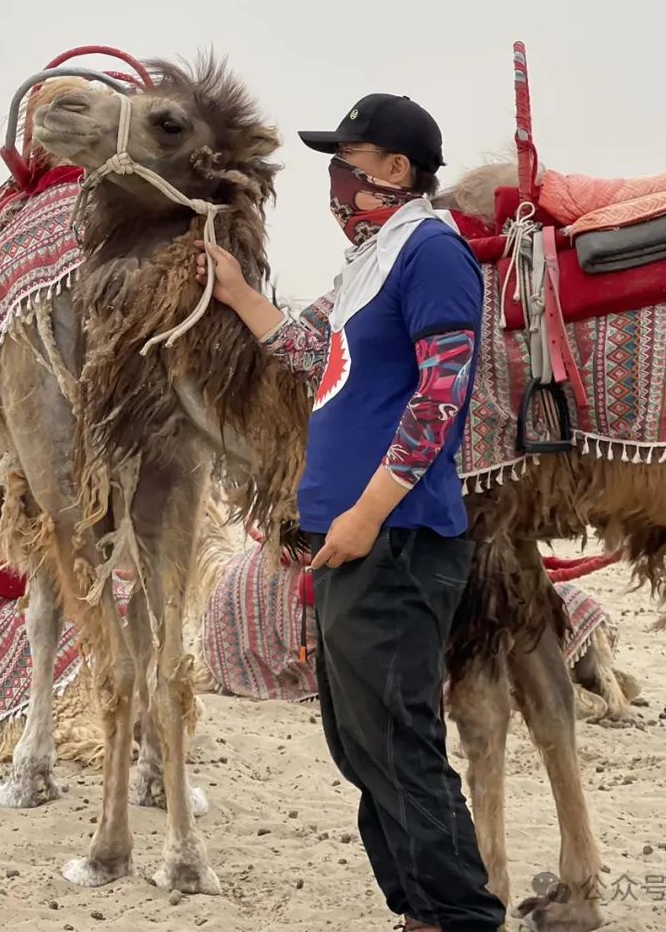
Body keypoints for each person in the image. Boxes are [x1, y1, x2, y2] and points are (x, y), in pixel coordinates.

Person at [197, 92, 505, 932]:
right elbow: (312, 353)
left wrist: (368, 513)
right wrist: (235, 294)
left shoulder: (431, 253)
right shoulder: (369, 264)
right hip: (348, 540)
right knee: (358, 744)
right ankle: (418, 911)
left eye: (349, 160)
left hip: (397, 537)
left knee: (400, 745)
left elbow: (442, 398)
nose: (336, 179)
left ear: (395, 170)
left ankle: (462, 916)